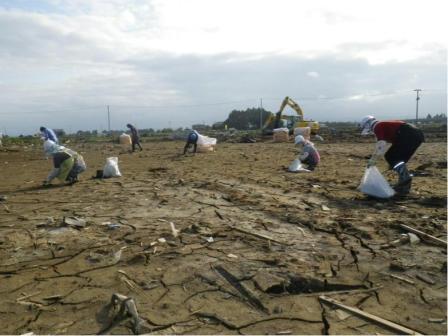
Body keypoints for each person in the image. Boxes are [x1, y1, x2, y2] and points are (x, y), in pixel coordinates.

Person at [359, 115, 425, 194]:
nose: (370, 131)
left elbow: (381, 145)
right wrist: (392, 164)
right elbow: (384, 144)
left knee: (391, 156)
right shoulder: (383, 125)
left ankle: (405, 179)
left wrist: (373, 160)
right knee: (397, 159)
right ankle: (404, 185)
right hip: (416, 135)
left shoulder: (377, 126)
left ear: (367, 124)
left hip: (409, 135)